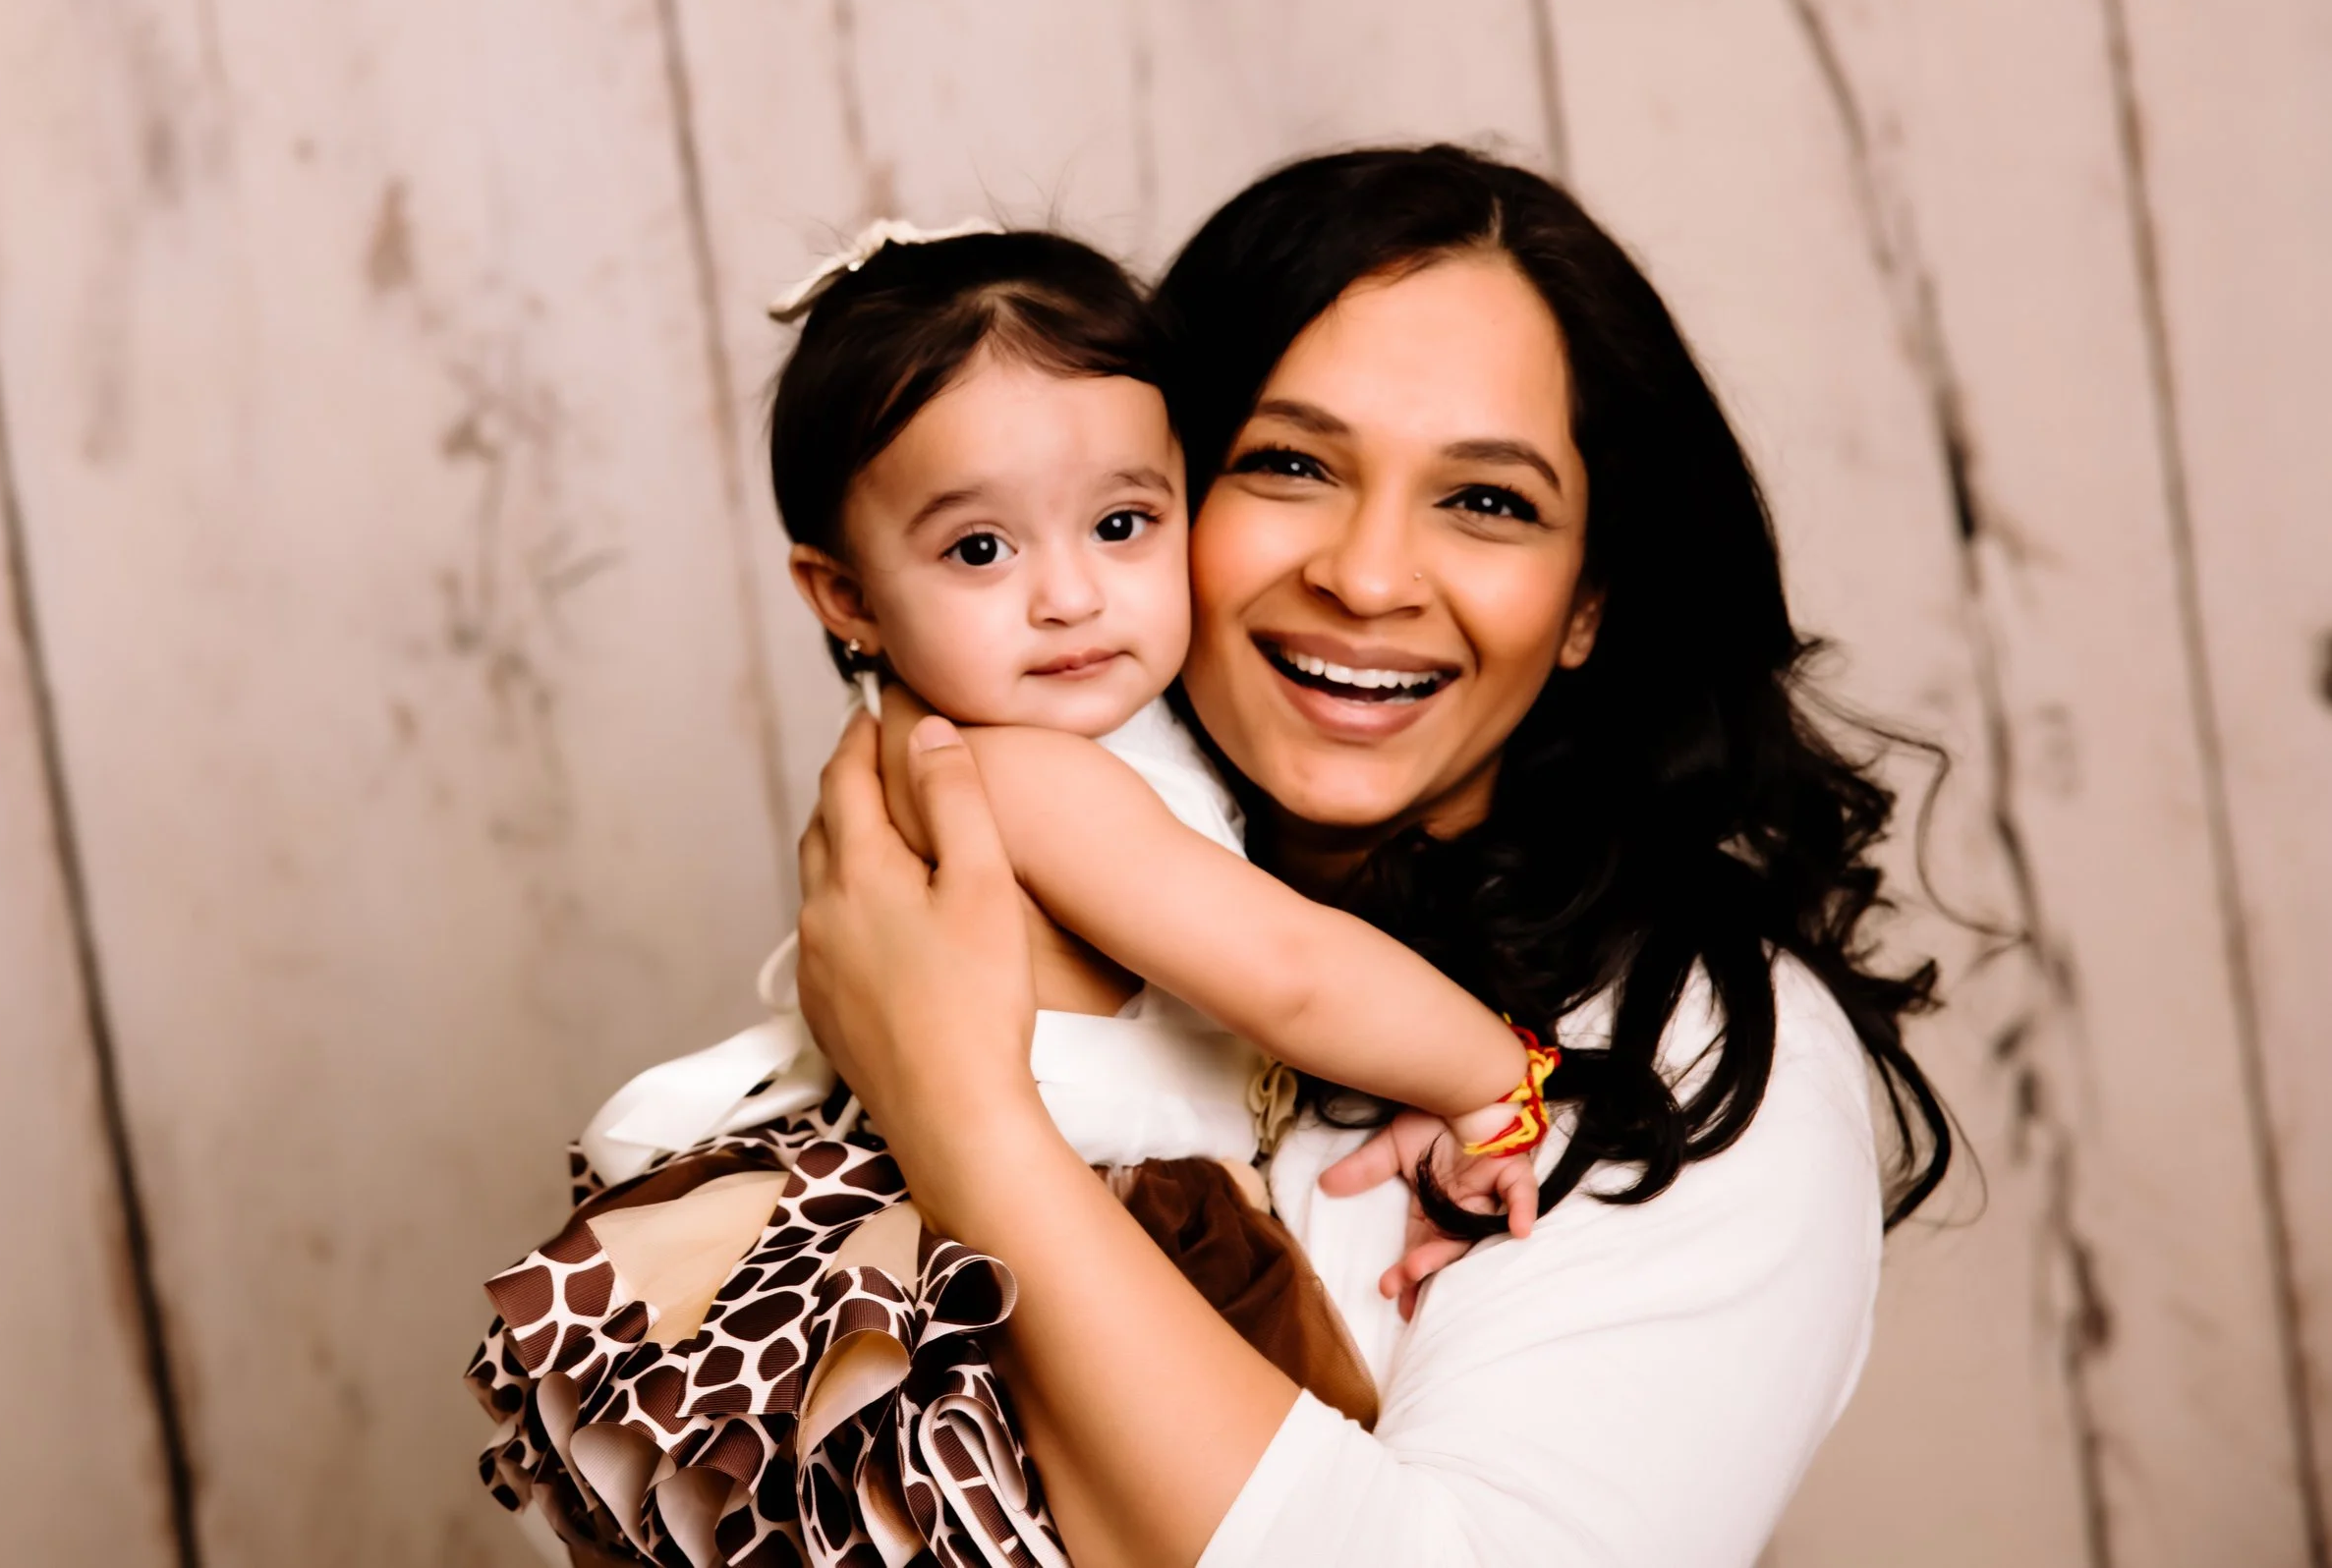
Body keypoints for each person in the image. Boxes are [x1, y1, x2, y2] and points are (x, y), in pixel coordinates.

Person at [789, 144, 1954, 1568]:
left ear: (1587, 604)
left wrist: (959, 1112)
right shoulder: (1009, 865)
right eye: (1286, 465)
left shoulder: (1683, 1049)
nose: (1369, 575)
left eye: (1488, 502)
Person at [467, 223, 1562, 1567]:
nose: (1069, 596)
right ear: (845, 594)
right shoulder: (1018, 775)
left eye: (1121, 524)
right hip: (1071, 1245)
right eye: (980, 550)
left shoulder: (1000, 740)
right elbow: (1286, 973)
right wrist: (1488, 1076)